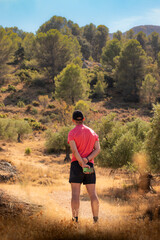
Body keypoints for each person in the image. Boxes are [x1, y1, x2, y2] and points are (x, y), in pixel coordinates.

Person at [68, 110, 100, 223]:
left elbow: (75, 151)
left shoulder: (72, 133)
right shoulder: (92, 132)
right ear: (83, 119)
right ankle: (96, 221)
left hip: (77, 164)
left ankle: (75, 220)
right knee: (93, 194)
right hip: (89, 164)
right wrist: (86, 160)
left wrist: (81, 163)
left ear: (73, 120)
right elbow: (98, 149)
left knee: (75, 194)